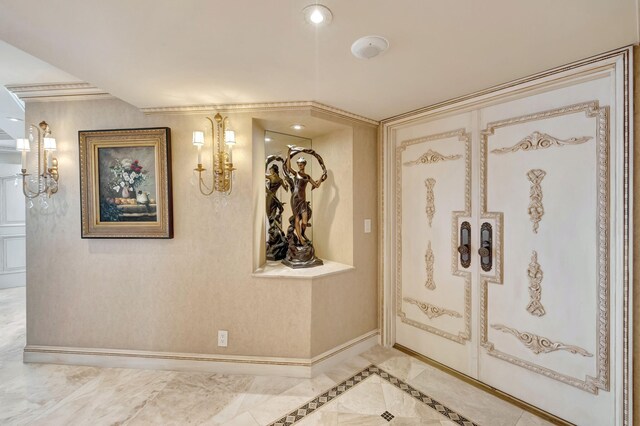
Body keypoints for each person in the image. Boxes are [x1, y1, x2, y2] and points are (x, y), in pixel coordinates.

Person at [283, 146, 327, 245]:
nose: (300, 166)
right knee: (297, 220)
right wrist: (289, 152)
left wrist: (321, 177)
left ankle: (302, 233)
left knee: (305, 221)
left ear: (304, 165)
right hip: (295, 198)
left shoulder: (307, 176)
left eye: (301, 164)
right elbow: (288, 167)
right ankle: (300, 239)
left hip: (302, 199)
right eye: (298, 164)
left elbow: (316, 185)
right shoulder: (296, 174)